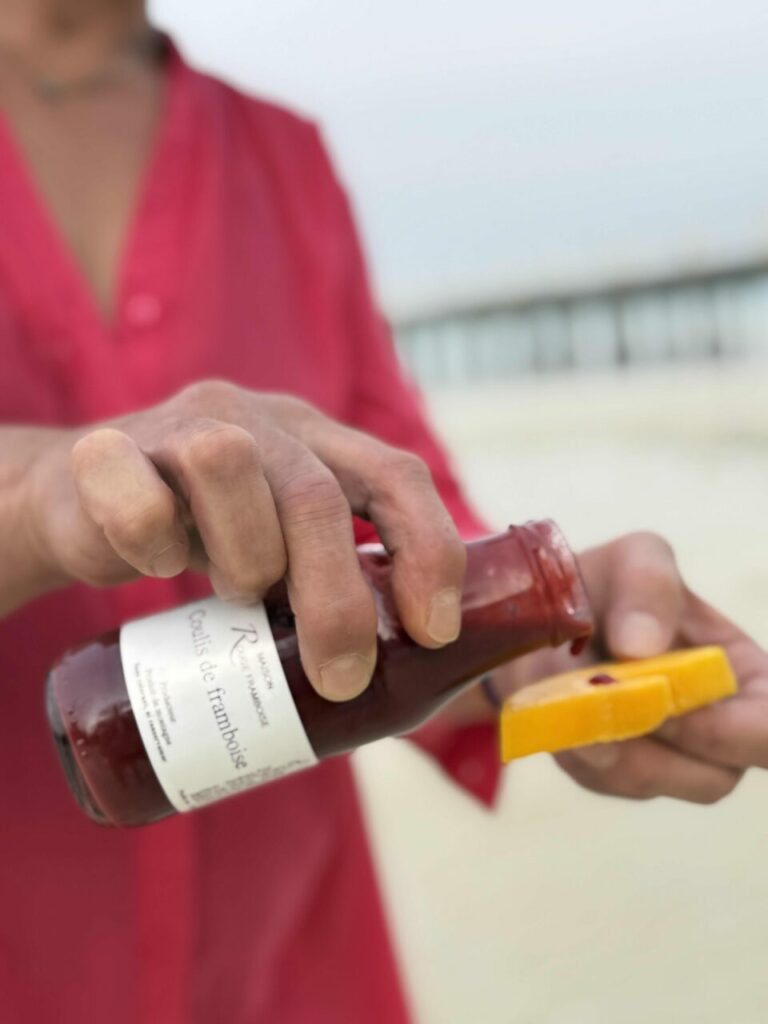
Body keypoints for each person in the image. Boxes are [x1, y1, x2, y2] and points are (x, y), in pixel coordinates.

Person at [0, 2, 765, 1022]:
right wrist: (42, 498)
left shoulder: (285, 160)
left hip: (302, 973)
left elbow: (414, 560)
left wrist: (540, 651)